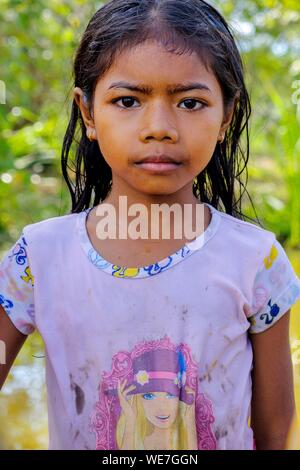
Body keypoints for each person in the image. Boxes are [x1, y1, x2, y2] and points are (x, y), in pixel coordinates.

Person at [1, 0, 300, 451]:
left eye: (190, 102)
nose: (159, 127)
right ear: (88, 114)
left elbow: (275, 434)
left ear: (227, 117)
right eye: (127, 101)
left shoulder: (257, 262)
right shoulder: (40, 258)